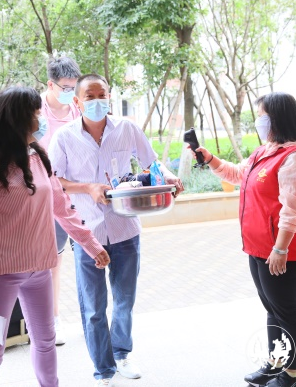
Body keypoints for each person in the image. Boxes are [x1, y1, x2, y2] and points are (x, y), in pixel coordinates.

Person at [0, 86, 110, 387]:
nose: (42, 120)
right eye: (36, 114)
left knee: (46, 341)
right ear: (17, 119)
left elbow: (63, 208)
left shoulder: (38, 156)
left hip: (40, 269)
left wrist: (91, 245)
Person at [48, 73, 184, 387]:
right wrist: (87, 187)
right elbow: (55, 180)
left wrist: (168, 177)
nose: (98, 101)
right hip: (87, 233)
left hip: (125, 229)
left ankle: (122, 353)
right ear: (78, 101)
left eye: (102, 95)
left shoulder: (127, 128)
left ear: (109, 97)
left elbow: (151, 163)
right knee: (94, 307)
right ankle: (103, 369)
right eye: (90, 96)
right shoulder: (64, 137)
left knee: (125, 299)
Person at [192, 92, 296, 387]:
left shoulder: (295, 157)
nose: (259, 122)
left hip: (282, 251)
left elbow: (292, 209)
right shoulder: (265, 152)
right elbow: (238, 174)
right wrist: (210, 159)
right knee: (273, 310)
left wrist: (280, 249)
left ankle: (292, 374)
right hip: (259, 248)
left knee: (287, 312)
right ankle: (275, 363)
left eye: (262, 116)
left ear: (278, 118)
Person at [38, 56, 83, 346]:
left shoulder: (77, 108)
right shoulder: (36, 110)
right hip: (44, 194)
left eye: (72, 87)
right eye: (64, 87)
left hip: (76, 191)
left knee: (85, 256)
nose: (69, 92)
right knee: (50, 260)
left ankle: (88, 318)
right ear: (50, 84)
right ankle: (50, 321)